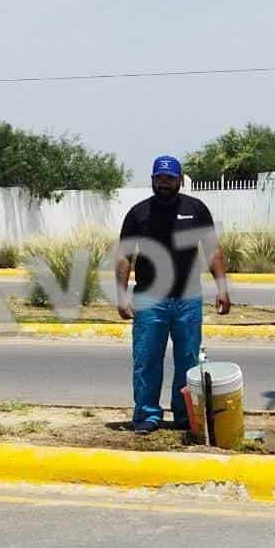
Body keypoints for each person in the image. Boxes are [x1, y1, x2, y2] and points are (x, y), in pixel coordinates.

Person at [116, 155, 232, 435]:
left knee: (189, 361)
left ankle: (184, 414)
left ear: (180, 180)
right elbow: (124, 257)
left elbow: (212, 250)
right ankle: (146, 415)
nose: (164, 183)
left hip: (188, 300)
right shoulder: (138, 213)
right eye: (160, 178)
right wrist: (121, 294)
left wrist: (223, 288)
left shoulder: (196, 209)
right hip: (148, 300)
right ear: (153, 180)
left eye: (170, 178)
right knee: (146, 359)